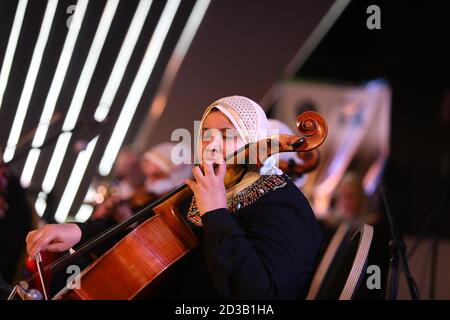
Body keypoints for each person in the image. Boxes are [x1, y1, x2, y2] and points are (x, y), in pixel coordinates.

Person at [25, 96, 321, 299]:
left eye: (229, 135)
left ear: (256, 141)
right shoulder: (206, 186)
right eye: (207, 134)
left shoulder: (283, 204)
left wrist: (216, 213)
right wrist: (78, 231)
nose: (212, 145)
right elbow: (144, 239)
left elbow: (258, 296)